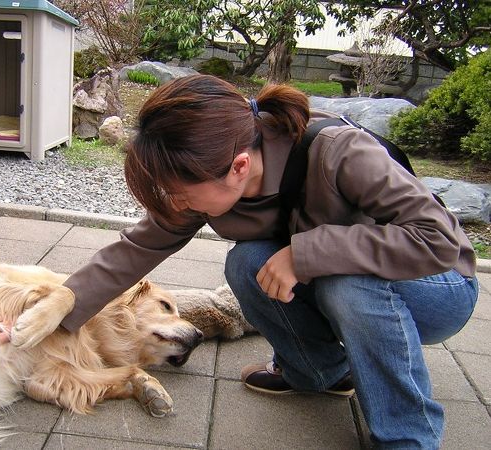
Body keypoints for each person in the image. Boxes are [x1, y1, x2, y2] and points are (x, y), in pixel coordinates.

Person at [51, 74, 478, 448]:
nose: (173, 204)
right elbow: (134, 250)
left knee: (344, 282)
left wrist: (306, 253)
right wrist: (51, 313)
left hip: (438, 285)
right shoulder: (210, 173)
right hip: (348, 278)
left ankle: (408, 436)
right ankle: (321, 373)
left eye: (177, 192)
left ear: (238, 166)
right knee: (248, 262)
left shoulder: (339, 150)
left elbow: (437, 239)